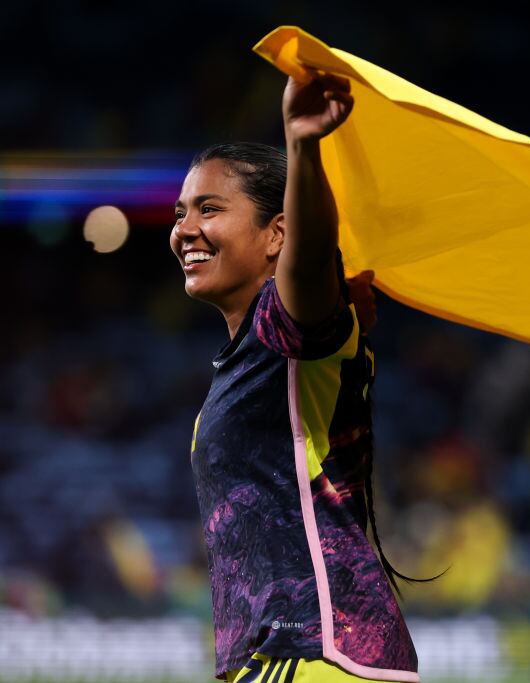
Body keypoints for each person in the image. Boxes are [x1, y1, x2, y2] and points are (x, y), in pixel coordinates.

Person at [171, 71, 428, 682]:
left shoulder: (289, 329)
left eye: (210, 209)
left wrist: (303, 144)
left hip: (317, 655)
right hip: (278, 660)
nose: (184, 230)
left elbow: (310, 261)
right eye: (181, 212)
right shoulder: (248, 359)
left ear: (275, 236)